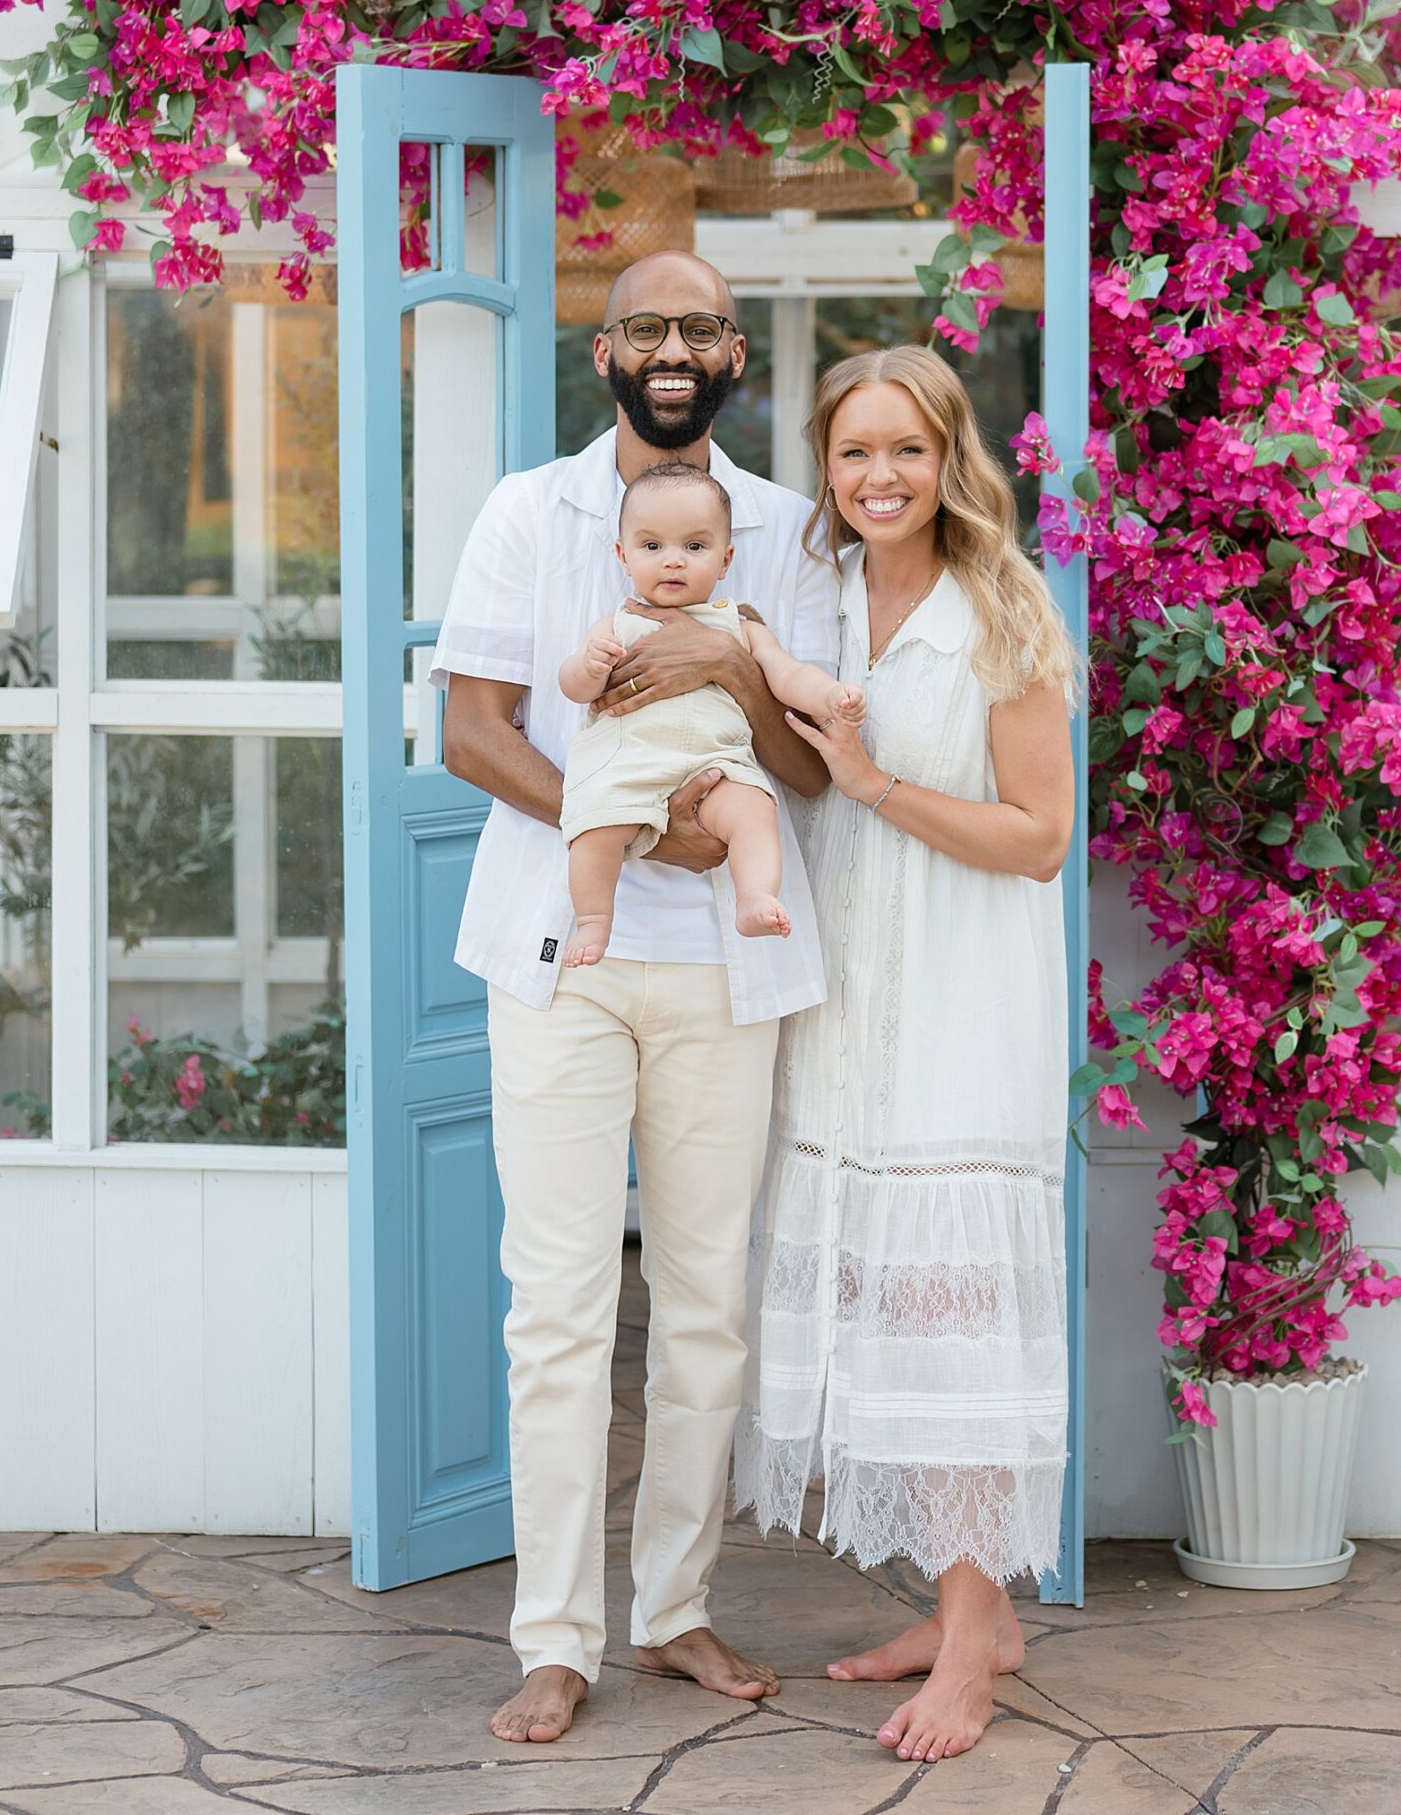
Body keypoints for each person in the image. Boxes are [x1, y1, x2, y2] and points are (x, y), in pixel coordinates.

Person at [432, 252, 839, 1747]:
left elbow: (811, 770)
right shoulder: (522, 515)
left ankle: (671, 1610)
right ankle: (555, 1635)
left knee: (708, 1306)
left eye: (699, 328)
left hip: (729, 965)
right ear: (604, 349)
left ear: (731, 350)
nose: (672, 350)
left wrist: (726, 678)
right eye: (645, 327)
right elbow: (474, 730)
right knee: (556, 1306)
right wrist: (632, 826)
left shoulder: (786, 531)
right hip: (559, 951)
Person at [735, 343, 1078, 1766]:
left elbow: (1039, 834)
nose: (877, 478)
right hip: (848, 1006)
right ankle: (965, 1615)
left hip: (958, 1007)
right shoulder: (820, 594)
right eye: (853, 452)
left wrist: (876, 783)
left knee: (949, 1335)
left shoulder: (1000, 607)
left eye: (905, 451)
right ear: (826, 464)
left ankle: (975, 1640)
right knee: (888, 1314)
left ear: (951, 461)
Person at [559, 459, 866, 966]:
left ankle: (756, 896)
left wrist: (831, 696)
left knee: (753, 810)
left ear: (725, 561)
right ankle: (594, 920)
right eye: (652, 546)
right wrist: (589, 667)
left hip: (716, 767)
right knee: (594, 828)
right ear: (623, 554)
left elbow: (787, 676)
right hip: (627, 766)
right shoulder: (618, 623)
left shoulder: (738, 625)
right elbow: (572, 686)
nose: (673, 561)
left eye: (694, 547)